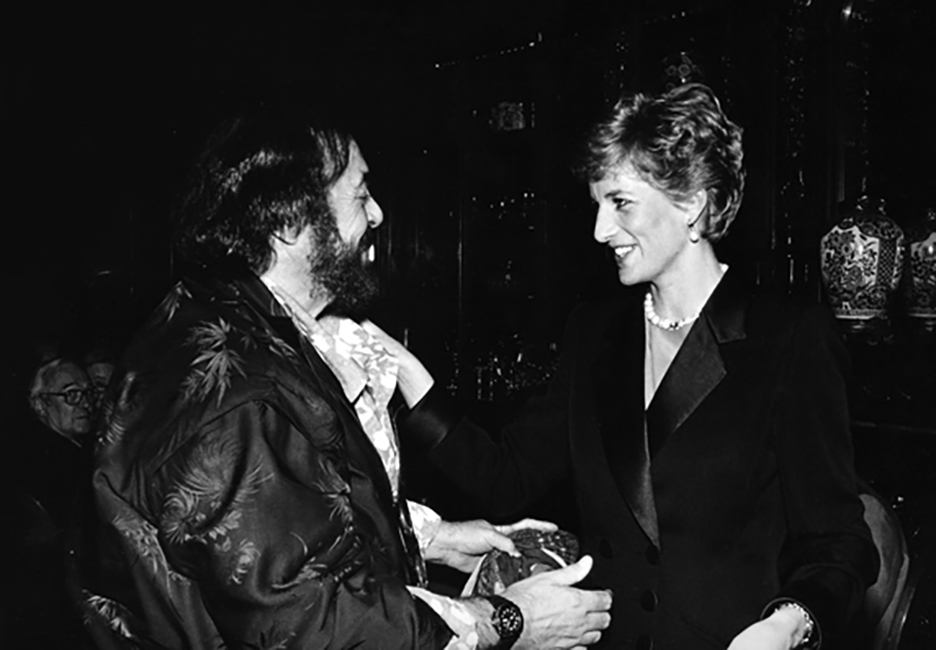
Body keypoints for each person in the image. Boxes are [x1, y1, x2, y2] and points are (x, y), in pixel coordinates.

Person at [75, 104, 611, 650]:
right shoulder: (245, 397)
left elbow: (290, 518)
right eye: (360, 195)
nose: (377, 215)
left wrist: (437, 538)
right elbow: (310, 627)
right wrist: (509, 620)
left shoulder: (236, 321)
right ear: (289, 222)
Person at [386, 84, 879, 649]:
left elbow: (838, 542)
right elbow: (507, 478)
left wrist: (787, 624)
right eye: (597, 204)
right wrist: (407, 373)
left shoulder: (789, 338)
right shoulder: (593, 334)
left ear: (692, 203)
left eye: (620, 203)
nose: (600, 230)